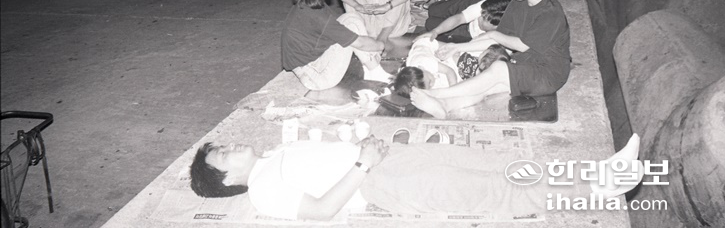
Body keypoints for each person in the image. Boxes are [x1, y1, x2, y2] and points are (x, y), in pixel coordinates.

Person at [189, 133, 641, 221]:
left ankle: (599, 168)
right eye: (222, 154)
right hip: (380, 183)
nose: (230, 146)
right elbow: (323, 211)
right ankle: (599, 187)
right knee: (490, 191)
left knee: (498, 162)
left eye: (222, 144)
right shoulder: (264, 190)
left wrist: (364, 146)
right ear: (226, 180)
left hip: (389, 158)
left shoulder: (277, 153)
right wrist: (364, 164)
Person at [411, 0, 571, 119]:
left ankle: (435, 94)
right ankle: (445, 106)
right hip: (524, 63)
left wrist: (493, 34)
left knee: (498, 70)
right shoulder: (518, 3)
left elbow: (521, 45)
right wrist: (457, 47)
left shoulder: (551, 13)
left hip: (547, 74)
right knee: (485, 86)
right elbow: (496, 40)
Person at [281, 0, 393, 90]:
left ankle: (371, 68)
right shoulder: (316, 15)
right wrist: (380, 45)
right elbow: (359, 42)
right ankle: (375, 71)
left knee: (350, 18)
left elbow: (337, 29)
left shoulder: (307, 3)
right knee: (352, 27)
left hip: (311, 67)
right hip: (317, 77)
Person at [422, 0, 511, 44]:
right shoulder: (485, 7)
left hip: (469, 32)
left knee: (430, 23)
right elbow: (459, 18)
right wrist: (436, 31)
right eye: (482, 14)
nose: (479, 17)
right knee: (432, 9)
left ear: (496, 27)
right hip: (471, 4)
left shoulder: (501, 38)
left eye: (484, 18)